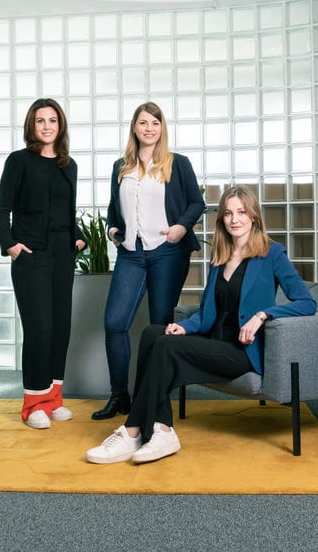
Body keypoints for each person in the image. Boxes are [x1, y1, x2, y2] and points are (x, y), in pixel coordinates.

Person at [85, 185, 316, 464]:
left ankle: (133, 430)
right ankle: (160, 428)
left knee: (165, 347)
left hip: (240, 351)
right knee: (153, 333)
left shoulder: (272, 253)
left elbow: (307, 302)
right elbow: (208, 310)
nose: (235, 219)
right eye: (228, 213)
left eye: (242, 212)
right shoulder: (220, 256)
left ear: (254, 216)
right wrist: (185, 327)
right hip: (213, 340)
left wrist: (262, 315)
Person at [93, 102, 205, 421]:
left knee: (159, 325)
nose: (149, 128)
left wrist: (181, 227)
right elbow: (113, 208)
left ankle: (154, 397)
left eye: (155, 123)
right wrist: (113, 230)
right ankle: (119, 396)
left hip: (167, 252)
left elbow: (196, 202)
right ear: (134, 127)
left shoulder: (177, 163)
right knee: (115, 323)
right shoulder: (121, 166)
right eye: (143, 123)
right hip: (131, 253)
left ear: (161, 127)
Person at [0, 98, 86, 429]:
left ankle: (53, 399)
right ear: (32, 126)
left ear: (60, 126)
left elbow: (66, 211)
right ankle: (33, 403)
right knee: (39, 329)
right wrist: (10, 245)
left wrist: (78, 236)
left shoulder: (69, 165)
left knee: (61, 328)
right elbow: (2, 209)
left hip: (63, 255)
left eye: (53, 120)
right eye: (40, 121)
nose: (47, 126)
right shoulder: (19, 161)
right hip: (31, 255)